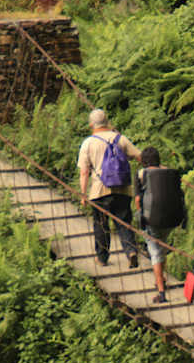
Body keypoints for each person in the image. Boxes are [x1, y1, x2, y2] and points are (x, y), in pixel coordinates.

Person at [77, 108, 140, 268]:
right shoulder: (121, 139)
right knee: (124, 222)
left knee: (101, 225)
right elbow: (140, 157)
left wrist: (83, 194)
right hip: (123, 189)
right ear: (107, 122)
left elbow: (84, 172)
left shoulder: (88, 143)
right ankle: (131, 251)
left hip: (100, 191)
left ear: (91, 124)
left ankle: (102, 258)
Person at [134, 147, 184, 303]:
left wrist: (142, 214)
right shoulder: (170, 173)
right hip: (172, 218)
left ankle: (161, 292)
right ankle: (161, 280)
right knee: (161, 247)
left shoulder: (141, 174)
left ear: (143, 161)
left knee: (155, 252)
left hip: (152, 220)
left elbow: (137, 200)